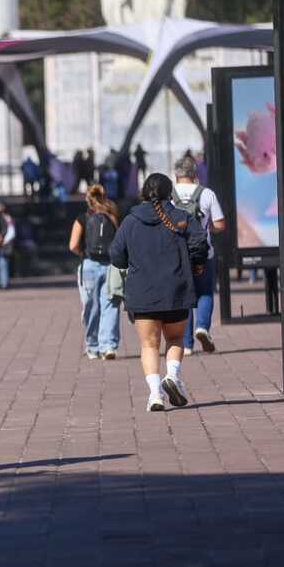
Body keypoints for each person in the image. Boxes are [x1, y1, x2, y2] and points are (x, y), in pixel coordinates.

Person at [110, 173, 208, 411]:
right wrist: (195, 262)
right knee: (174, 338)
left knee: (149, 345)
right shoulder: (181, 217)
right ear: (169, 193)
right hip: (176, 289)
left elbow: (116, 255)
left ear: (144, 193)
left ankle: (155, 393)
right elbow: (199, 242)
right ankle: (172, 377)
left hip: (142, 292)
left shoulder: (131, 220)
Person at [172, 155, 225, 355]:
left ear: (176, 176)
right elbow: (221, 224)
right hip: (204, 253)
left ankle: (186, 344)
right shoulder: (207, 193)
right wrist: (206, 228)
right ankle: (202, 327)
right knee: (204, 292)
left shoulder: (170, 195)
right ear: (194, 175)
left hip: (177, 255)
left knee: (183, 297)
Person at [68, 185, 121, 359]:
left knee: (91, 307)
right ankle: (109, 346)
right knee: (110, 305)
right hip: (110, 266)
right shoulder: (112, 217)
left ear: (88, 199)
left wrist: (83, 253)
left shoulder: (82, 218)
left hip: (89, 265)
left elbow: (73, 245)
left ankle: (92, 346)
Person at [0, 201, 16, 290]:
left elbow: (12, 232)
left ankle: (4, 283)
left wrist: (3, 240)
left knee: (2, 263)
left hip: (3, 245)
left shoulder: (7, 218)